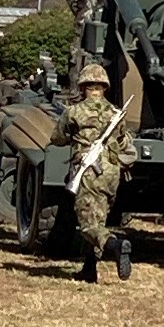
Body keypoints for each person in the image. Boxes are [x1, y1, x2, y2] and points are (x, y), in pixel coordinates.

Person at [48, 64, 135, 283]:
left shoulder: (74, 112)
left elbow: (56, 138)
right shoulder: (116, 113)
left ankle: (115, 244)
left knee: (88, 224)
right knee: (99, 217)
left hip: (89, 171)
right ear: (104, 87)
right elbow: (123, 140)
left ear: (83, 87)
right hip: (112, 172)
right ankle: (90, 268)